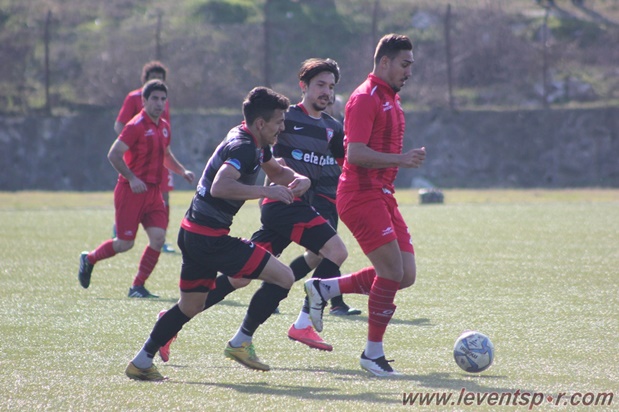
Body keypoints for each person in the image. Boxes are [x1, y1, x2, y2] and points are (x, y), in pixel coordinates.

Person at [125, 86, 311, 381]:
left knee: (191, 306)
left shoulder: (254, 141)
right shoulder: (244, 147)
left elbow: (276, 171)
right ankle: (241, 342)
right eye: (279, 122)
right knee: (285, 277)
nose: (282, 127)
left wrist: (300, 178)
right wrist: (266, 191)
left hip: (193, 233)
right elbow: (220, 186)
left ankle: (141, 361)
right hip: (210, 239)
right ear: (260, 123)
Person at [194, 58, 350, 354]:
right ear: (303, 86)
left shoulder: (332, 128)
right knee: (335, 252)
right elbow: (256, 137)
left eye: (331, 87)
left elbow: (345, 166)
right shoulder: (285, 117)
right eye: (320, 85)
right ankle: (303, 322)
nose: (326, 92)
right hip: (283, 204)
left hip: (299, 207)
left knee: (240, 277)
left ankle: (187, 321)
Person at [304, 34, 427, 377]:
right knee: (390, 273)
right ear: (384, 62)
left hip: (383, 194)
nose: (409, 72)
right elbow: (355, 153)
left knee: (405, 275)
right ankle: (372, 355)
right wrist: (401, 159)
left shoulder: (391, 99)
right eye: (404, 64)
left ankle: (325, 287)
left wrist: (398, 163)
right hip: (360, 194)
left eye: (411, 65)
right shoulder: (364, 98)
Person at [77, 79, 195, 298]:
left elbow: (166, 155)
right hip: (131, 192)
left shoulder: (164, 127)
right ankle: (89, 259)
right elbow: (114, 154)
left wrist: (182, 171)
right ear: (144, 100)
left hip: (153, 193)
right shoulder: (135, 126)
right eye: (154, 99)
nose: (159, 103)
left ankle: (137, 286)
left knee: (158, 238)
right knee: (124, 244)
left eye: (163, 99)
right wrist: (131, 178)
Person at [287, 93, 361, 317]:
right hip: (315, 197)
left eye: (332, 105)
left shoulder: (338, 131)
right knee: (330, 251)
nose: (328, 108)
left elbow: (347, 162)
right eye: (326, 104)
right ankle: (335, 303)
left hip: (333, 198)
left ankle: (275, 284)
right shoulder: (311, 131)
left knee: (315, 256)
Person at [114, 61, 176, 253]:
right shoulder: (135, 98)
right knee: (134, 195)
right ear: (145, 79)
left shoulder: (162, 100)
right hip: (140, 160)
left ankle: (161, 238)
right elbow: (120, 125)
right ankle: (122, 226)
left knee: (164, 196)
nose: (157, 80)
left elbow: (164, 128)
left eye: (160, 78)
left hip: (159, 159)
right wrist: (133, 145)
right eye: (153, 78)